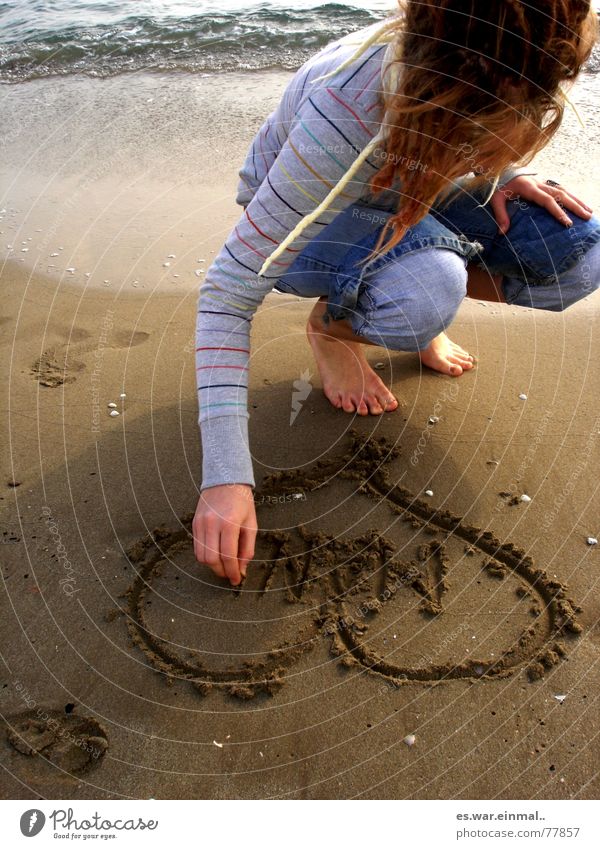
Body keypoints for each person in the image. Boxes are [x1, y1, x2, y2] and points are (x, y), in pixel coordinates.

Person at [193, 0, 600, 586]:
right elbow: (227, 291)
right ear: (458, 94)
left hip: (418, 182)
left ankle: (394, 284)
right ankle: (334, 325)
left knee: (577, 253)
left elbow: (489, 114)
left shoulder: (514, 55)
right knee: (427, 288)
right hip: (315, 224)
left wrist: (507, 173)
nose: (540, 115)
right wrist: (225, 479)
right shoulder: (345, 112)